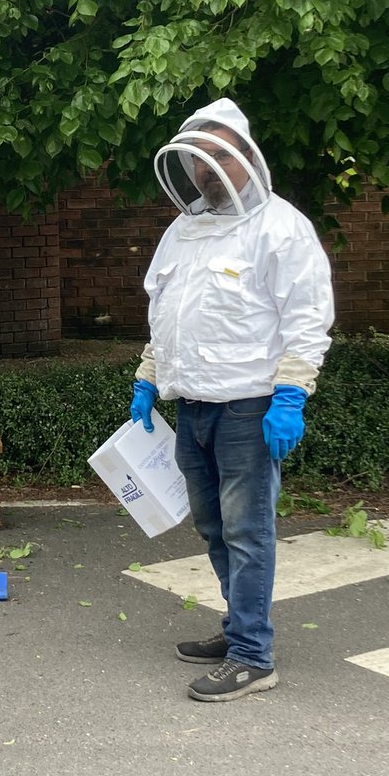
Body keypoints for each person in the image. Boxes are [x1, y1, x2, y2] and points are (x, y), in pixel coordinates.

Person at [129, 98, 334, 702]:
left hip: (248, 408)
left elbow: (307, 318)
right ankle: (238, 626)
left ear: (248, 157)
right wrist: (148, 374)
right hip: (191, 407)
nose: (206, 169)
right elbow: (165, 312)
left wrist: (292, 394)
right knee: (215, 528)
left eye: (219, 155)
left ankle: (253, 655)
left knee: (249, 533)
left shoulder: (282, 227)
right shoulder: (183, 230)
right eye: (198, 158)